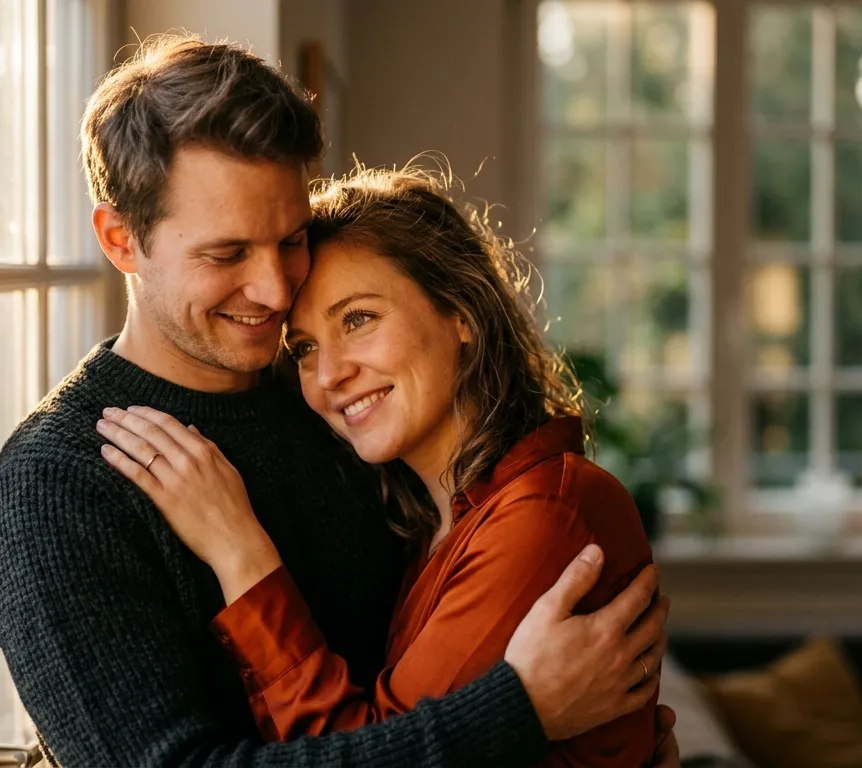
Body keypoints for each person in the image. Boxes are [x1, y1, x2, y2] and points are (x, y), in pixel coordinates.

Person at [0, 35, 675, 767]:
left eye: (289, 241)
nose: (274, 290)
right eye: (227, 254)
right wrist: (519, 711)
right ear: (120, 239)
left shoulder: (345, 415)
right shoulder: (55, 483)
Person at [97, 163, 661, 765]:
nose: (330, 374)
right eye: (305, 348)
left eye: (359, 319)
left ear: (460, 312)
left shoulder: (545, 515)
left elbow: (357, 751)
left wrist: (241, 554)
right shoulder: (428, 521)